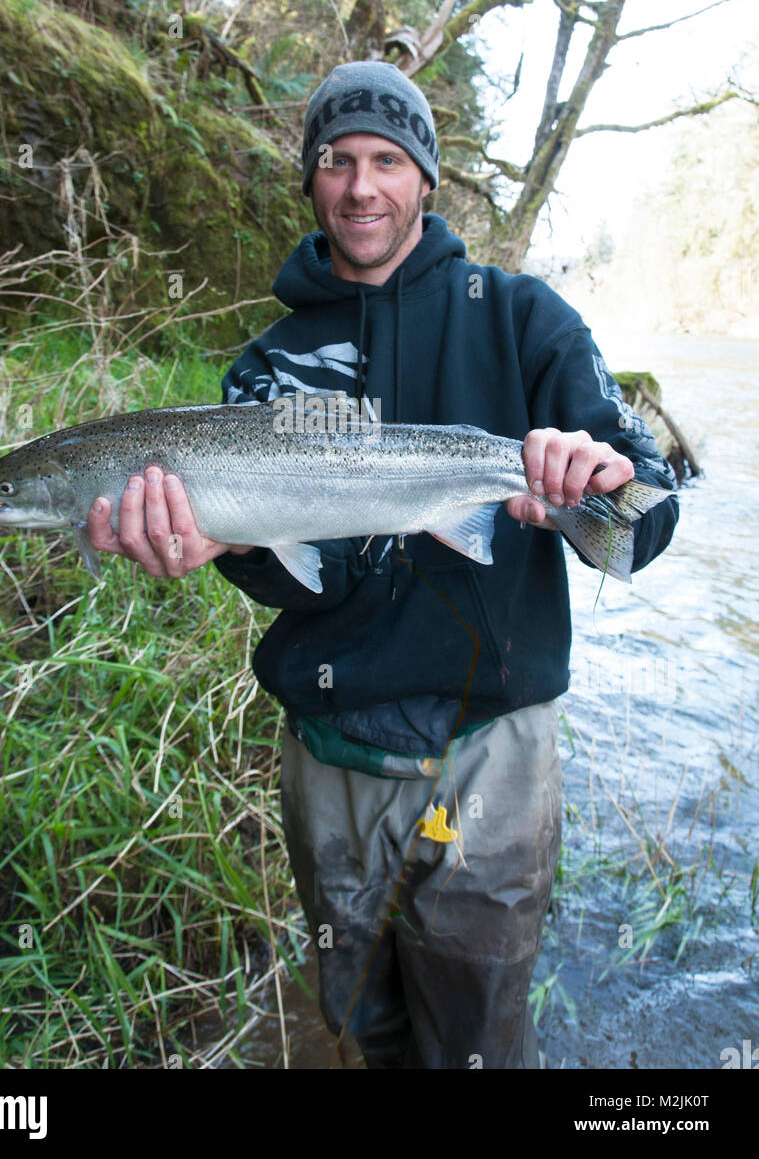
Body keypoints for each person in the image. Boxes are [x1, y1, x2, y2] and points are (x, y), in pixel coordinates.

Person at [87, 61, 679, 1069]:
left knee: (477, 1035)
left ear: (423, 179)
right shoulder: (267, 366)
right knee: (361, 1015)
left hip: (488, 743)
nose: (360, 185)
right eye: (335, 161)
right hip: (329, 752)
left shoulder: (522, 319)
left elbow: (642, 514)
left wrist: (602, 477)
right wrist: (216, 543)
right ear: (310, 181)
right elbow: (286, 575)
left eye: (386, 160)